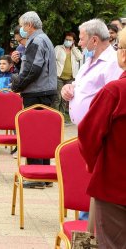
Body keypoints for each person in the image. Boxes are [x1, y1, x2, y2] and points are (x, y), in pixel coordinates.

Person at [77, 28, 126, 248]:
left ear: (123, 54)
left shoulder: (115, 92)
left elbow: (88, 136)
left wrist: (94, 164)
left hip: (115, 187)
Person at [11, 11, 57, 189]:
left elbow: (32, 70)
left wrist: (17, 85)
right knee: (44, 134)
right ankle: (45, 175)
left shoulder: (36, 40)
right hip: (45, 90)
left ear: (29, 26)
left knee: (34, 133)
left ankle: (36, 176)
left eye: (22, 25)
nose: (21, 29)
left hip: (36, 92)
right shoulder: (45, 39)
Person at [61, 19, 122, 125]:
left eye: (81, 39)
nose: (79, 44)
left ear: (94, 40)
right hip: (85, 130)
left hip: (98, 132)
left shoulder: (113, 63)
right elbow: (79, 85)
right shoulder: (89, 60)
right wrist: (68, 88)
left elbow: (114, 103)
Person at [52, 32, 83, 112]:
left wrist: (73, 48)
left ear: (73, 41)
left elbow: (80, 57)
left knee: (65, 99)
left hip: (70, 78)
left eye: (70, 40)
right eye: (66, 39)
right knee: (57, 98)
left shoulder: (75, 50)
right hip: (59, 77)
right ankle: (55, 115)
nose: (68, 41)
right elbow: (53, 58)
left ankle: (61, 116)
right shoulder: (58, 48)